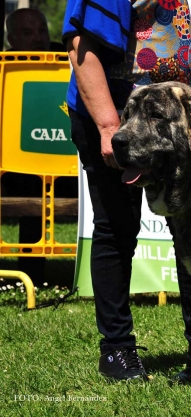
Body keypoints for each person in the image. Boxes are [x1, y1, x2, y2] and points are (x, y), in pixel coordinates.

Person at [62, 0, 191, 381]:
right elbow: (81, 49)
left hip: (181, 123)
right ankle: (117, 351)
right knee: (117, 230)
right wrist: (107, 125)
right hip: (119, 118)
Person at [3, 8, 70, 285]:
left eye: (41, 30)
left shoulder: (65, 59)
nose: (38, 38)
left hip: (69, 164)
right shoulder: (6, 68)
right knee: (30, 179)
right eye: (27, 33)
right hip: (19, 171)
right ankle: (30, 275)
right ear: (11, 40)